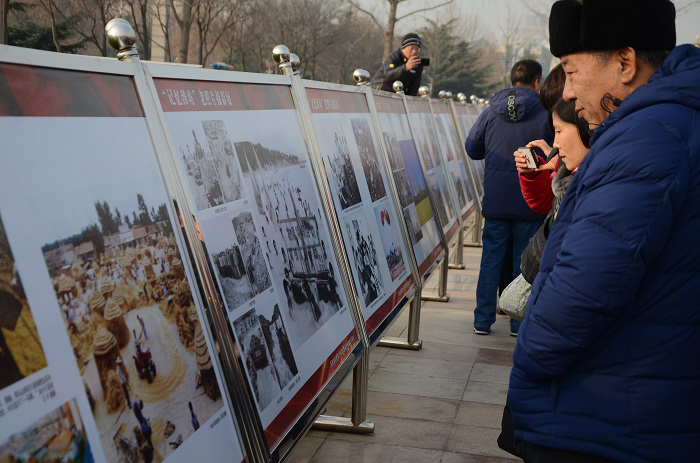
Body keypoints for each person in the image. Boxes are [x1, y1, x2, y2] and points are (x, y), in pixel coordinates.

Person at [509, 0, 700, 461]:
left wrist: (530, 358)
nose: (568, 93)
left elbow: (588, 284)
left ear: (625, 62)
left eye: (572, 73)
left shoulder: (648, 135)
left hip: (607, 416)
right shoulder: (670, 120)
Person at [465, 59, 550, 336]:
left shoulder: (490, 113)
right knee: (522, 261)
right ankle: (516, 321)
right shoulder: (545, 113)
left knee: (490, 259)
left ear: (512, 79)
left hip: (497, 201)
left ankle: (482, 320)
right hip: (530, 200)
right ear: (537, 82)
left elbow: (472, 148)